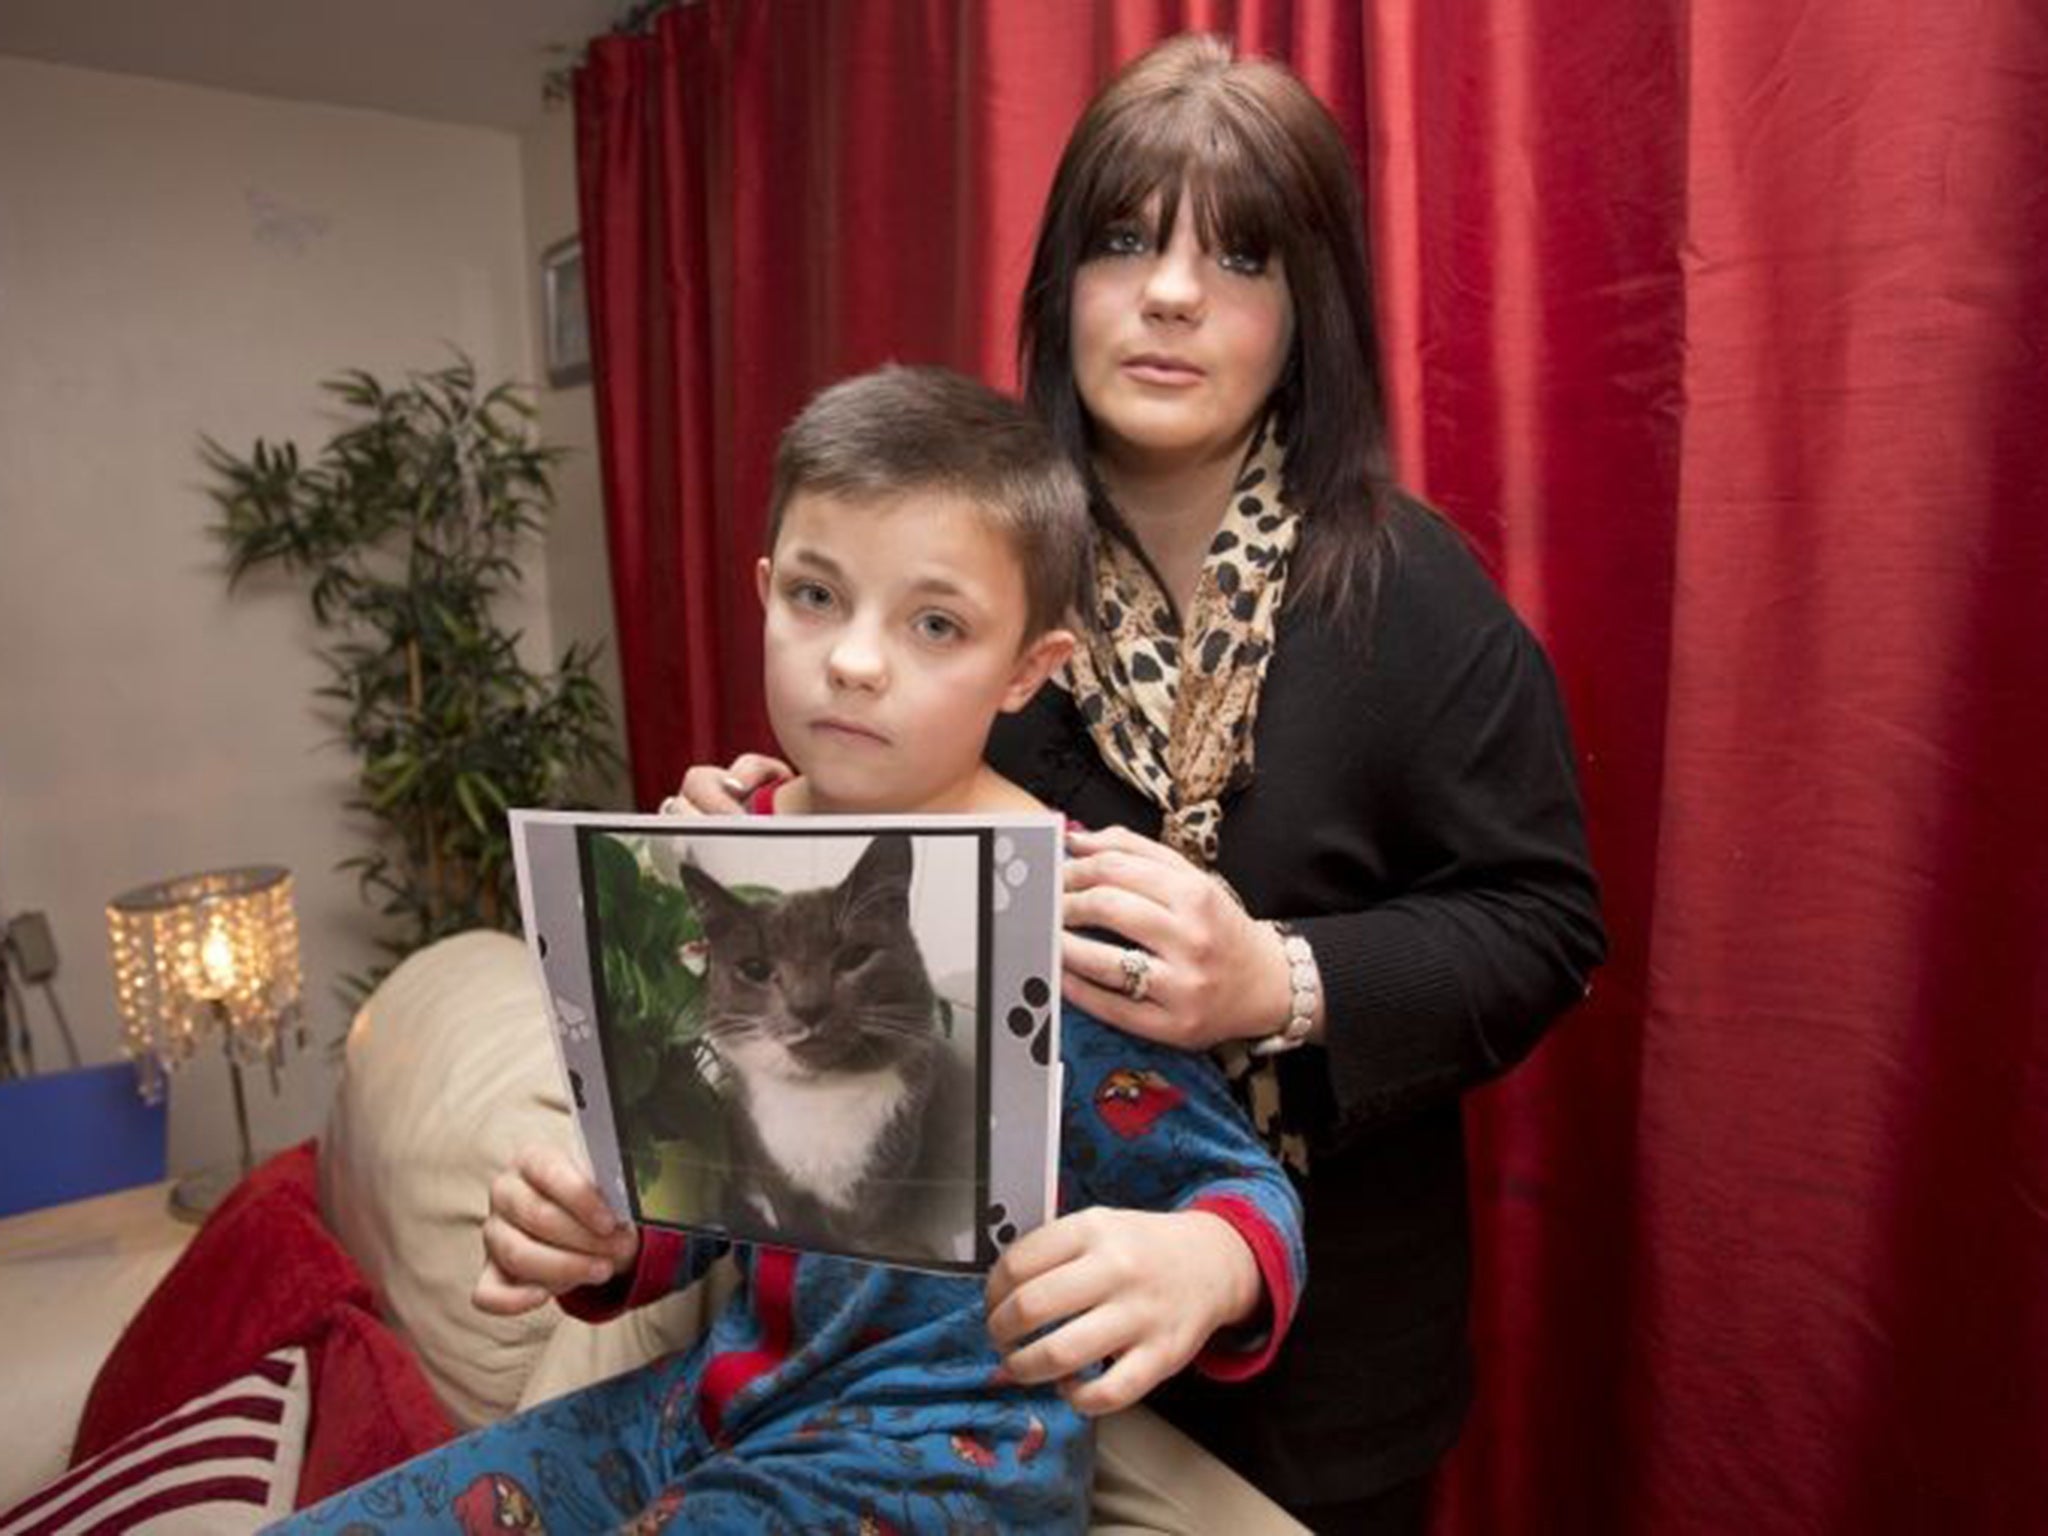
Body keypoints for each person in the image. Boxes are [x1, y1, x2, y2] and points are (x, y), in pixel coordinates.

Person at [679, 35, 1607, 1535]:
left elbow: (1546, 920)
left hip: (1322, 1361)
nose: (1171, 295)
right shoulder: (969, 555)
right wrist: (758, 821)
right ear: (1060, 288)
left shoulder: (1410, 589)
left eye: (1238, 256)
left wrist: (1278, 979)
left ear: (1308, 317)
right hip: (967, 1364)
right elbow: (873, 849)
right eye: (1124, 242)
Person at [269, 366, 1305, 1535]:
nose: (855, 661)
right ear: (764, 593)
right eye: (817, 597)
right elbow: (700, 1189)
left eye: (933, 624)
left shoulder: (1072, 899)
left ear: (1027, 667)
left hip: (942, 1455)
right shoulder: (723, 852)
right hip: (702, 1405)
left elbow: (1237, 1187)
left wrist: (1205, 1264)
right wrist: (604, 1238)